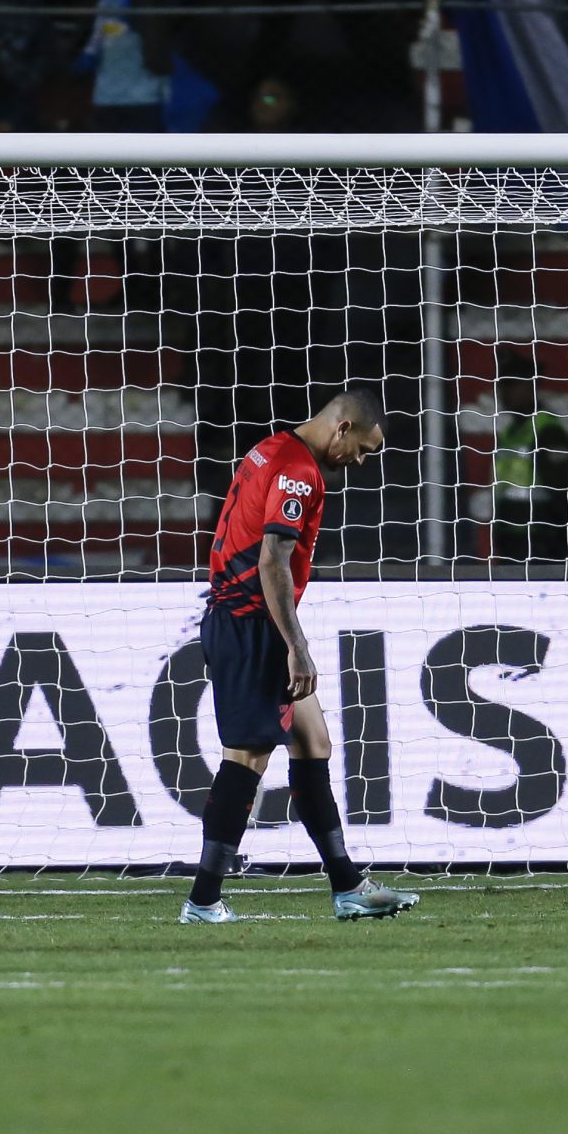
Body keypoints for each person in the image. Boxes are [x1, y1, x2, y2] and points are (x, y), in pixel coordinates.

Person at [181, 389, 418, 924]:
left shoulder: (272, 448)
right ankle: (202, 899)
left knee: (313, 741)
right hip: (250, 625)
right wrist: (297, 646)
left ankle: (348, 886)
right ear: (343, 426)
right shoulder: (299, 473)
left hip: (241, 617)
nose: (360, 462)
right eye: (363, 449)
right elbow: (272, 561)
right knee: (247, 759)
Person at [490, 356, 568, 563]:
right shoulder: (510, 432)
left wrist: (557, 542)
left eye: (511, 385)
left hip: (540, 540)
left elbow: (564, 492)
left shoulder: (547, 431)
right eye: (502, 386)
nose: (504, 393)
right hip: (510, 537)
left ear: (530, 387)